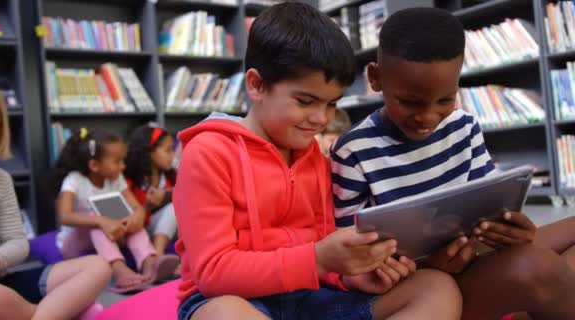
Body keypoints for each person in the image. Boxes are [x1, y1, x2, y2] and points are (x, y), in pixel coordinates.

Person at [173, 3, 462, 320]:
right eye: (305, 101)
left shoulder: (318, 158)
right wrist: (318, 260)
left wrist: (351, 273)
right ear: (256, 84)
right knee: (223, 314)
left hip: (309, 298)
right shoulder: (208, 152)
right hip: (231, 298)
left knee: (436, 287)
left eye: (331, 104)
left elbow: (326, 243)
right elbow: (213, 273)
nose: (320, 119)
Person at [331, 8, 575, 320]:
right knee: (537, 268)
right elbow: (351, 259)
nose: (427, 118)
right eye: (409, 101)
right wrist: (424, 265)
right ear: (376, 78)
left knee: (549, 258)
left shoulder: (464, 125)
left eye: (444, 100)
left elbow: (490, 200)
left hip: (479, 252)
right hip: (427, 282)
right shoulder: (353, 150)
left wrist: (513, 228)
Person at [0, 80, 111, 319]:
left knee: (98, 266)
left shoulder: (0, 179)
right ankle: (60, 313)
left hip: (0, 281)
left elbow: (18, 242)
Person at [53, 128, 178, 292]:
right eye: (117, 162)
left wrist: (137, 216)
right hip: (76, 241)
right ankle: (118, 269)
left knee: (129, 217)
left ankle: (149, 261)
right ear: (94, 165)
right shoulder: (74, 181)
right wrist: (101, 220)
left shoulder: (116, 179)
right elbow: (64, 216)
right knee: (97, 218)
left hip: (113, 232)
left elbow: (135, 206)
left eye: (123, 161)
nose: (123, 166)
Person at [125, 124, 179, 260]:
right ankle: (158, 254)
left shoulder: (169, 176)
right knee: (174, 208)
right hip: (138, 230)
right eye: (168, 151)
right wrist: (147, 206)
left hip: (165, 229)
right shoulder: (130, 181)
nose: (173, 156)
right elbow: (130, 219)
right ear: (150, 152)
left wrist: (171, 192)